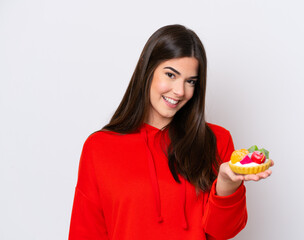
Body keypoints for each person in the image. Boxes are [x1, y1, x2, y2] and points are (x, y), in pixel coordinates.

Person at [68, 24, 273, 240]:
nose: (180, 91)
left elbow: (223, 232)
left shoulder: (216, 140)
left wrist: (227, 184)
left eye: (190, 81)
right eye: (170, 75)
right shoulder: (100, 146)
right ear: (147, 71)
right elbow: (85, 232)